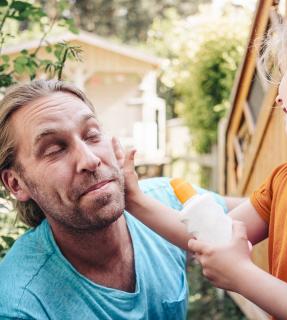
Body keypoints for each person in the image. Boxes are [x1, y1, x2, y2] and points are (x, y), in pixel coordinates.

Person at [121, 5, 287, 320]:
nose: (277, 96)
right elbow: (212, 232)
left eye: (285, 75)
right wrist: (135, 200)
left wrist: (243, 277)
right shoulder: (284, 179)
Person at [0, 79, 244, 319]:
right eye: (54, 149)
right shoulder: (21, 306)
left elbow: (269, 209)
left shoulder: (163, 201)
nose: (90, 160)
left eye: (92, 135)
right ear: (16, 183)